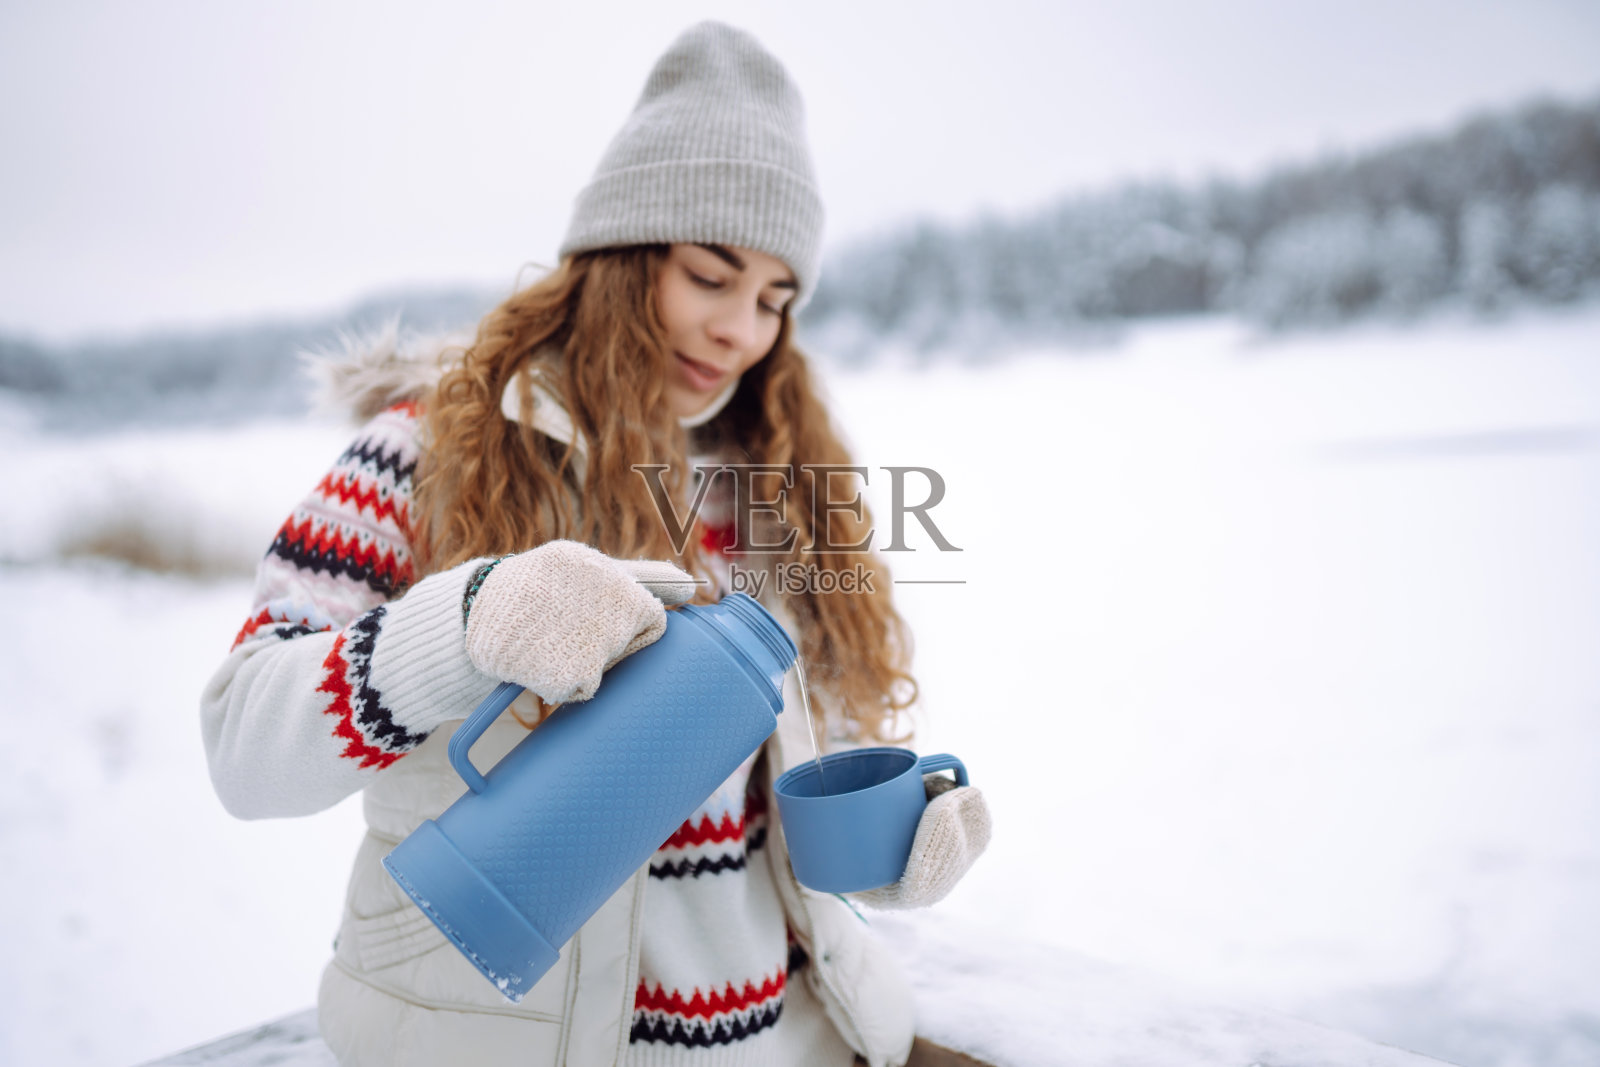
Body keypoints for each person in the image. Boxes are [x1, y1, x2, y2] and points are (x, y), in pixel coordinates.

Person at [201, 21, 990, 1067]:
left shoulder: (772, 479)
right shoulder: (430, 446)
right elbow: (245, 750)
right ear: (618, 259)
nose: (740, 331)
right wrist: (468, 618)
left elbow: (783, 796)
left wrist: (879, 847)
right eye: (710, 275)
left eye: (774, 299)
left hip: (790, 1042)